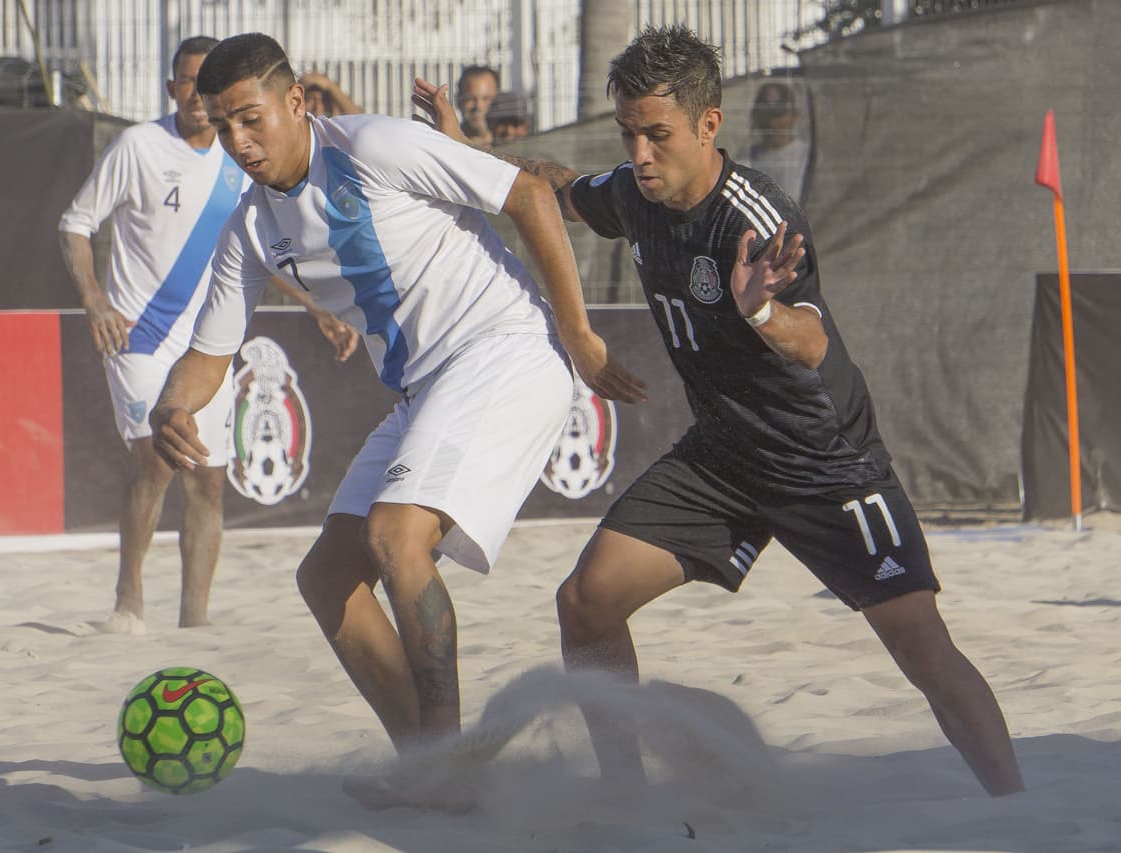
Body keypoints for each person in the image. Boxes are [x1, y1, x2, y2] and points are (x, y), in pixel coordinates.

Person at [413, 24, 1024, 797]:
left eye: (656, 135)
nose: (638, 154)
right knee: (586, 600)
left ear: (709, 124)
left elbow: (811, 344)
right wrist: (467, 146)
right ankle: (628, 801)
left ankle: (1015, 809)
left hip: (823, 460)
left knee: (919, 645)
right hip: (724, 455)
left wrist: (759, 311)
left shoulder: (755, 218)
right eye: (628, 133)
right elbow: (554, 185)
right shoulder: (637, 193)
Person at [147, 32, 645, 797]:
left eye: (251, 118)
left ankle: (440, 774)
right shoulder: (248, 226)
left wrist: (578, 335)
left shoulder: (375, 143)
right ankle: (431, 761)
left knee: (393, 535)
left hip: (504, 350)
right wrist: (173, 403)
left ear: (296, 103)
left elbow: (529, 193)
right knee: (325, 577)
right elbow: (211, 354)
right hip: (428, 385)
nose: (238, 141)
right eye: (222, 125)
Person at [59, 36, 356, 634]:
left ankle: (194, 622)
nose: (197, 95)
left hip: (206, 347)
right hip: (140, 337)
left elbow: (263, 254)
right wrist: (94, 302)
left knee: (209, 484)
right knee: (155, 461)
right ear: (172, 89)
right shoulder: (139, 146)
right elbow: (75, 225)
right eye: (187, 83)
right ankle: (129, 601)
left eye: (206, 83)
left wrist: (317, 308)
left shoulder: (239, 154)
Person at [745, 80, 810, 202]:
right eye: (767, 115)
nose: (772, 123)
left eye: (779, 115)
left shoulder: (807, 157)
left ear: (794, 116)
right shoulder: (745, 159)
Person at [455, 64, 500, 147]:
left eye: (486, 98)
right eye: (470, 98)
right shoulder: (450, 142)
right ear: (458, 100)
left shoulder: (515, 140)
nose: (478, 106)